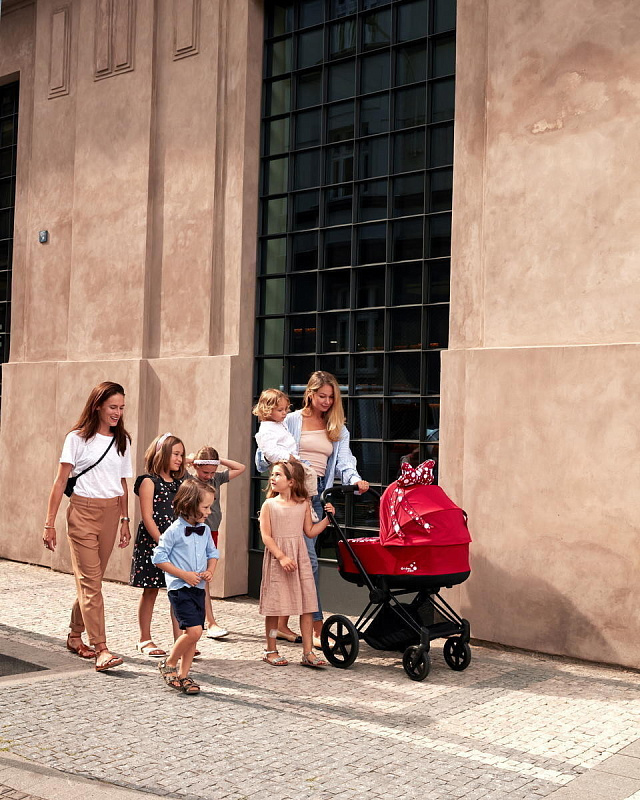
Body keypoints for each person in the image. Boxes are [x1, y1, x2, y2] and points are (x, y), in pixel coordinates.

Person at [258, 370, 369, 647]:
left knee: (299, 557)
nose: (327, 401)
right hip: (291, 495)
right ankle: (317, 628)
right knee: (309, 561)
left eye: (331, 397)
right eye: (322, 396)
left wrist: (355, 481)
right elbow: (264, 455)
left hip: (316, 495)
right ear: (310, 393)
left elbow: (345, 462)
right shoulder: (290, 419)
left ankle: (281, 625)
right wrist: (277, 461)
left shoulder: (338, 428)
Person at [42, 381, 132, 672]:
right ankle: (101, 649)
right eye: (112, 407)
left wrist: (125, 520)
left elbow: (122, 484)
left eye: (121, 407)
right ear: (97, 406)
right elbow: (60, 482)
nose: (117, 413)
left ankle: (74, 635)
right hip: (82, 512)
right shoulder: (77, 438)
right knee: (91, 583)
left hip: (110, 514)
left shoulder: (122, 441)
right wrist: (49, 524)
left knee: (92, 581)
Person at [259, 460, 334, 668]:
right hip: (278, 560)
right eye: (272, 475)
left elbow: (309, 531)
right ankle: (270, 649)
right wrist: (281, 557)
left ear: (291, 482)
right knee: (275, 607)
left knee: (307, 605)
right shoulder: (269, 505)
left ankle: (308, 652)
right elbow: (266, 536)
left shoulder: (303, 505)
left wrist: (327, 519)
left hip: (300, 559)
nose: (272, 478)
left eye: (278, 475)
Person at [152, 479, 218, 694]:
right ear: (190, 504)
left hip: (198, 589)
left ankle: (184, 675)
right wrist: (184, 575)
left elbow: (213, 554)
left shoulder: (205, 530)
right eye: (205, 507)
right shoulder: (174, 531)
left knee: (194, 635)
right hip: (179, 589)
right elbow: (159, 558)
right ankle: (169, 662)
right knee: (194, 630)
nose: (209, 512)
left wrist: (210, 570)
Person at [129, 432, 186, 658]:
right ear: (162, 454)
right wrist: (163, 544)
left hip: (177, 545)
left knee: (177, 591)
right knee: (150, 590)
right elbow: (147, 517)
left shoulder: (181, 483)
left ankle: (180, 640)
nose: (180, 459)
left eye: (182, 455)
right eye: (176, 454)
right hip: (154, 544)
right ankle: (144, 639)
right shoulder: (148, 482)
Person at [186, 447, 246, 639]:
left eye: (212, 472)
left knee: (204, 575)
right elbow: (173, 466)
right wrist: (191, 460)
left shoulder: (216, 479)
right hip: (193, 532)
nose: (209, 476)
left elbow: (241, 467)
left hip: (211, 532)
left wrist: (218, 461)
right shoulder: (189, 480)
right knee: (197, 576)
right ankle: (208, 621)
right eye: (205, 472)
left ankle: (206, 621)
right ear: (197, 467)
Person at [253, 388, 319, 521]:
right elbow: (270, 452)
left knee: (285, 487)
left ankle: (294, 507)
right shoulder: (266, 430)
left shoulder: (279, 423)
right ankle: (307, 504)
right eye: (280, 410)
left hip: (290, 461)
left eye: (285, 409)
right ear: (267, 410)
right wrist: (288, 457)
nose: (284, 413)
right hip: (284, 463)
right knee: (309, 475)